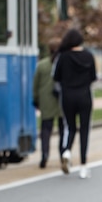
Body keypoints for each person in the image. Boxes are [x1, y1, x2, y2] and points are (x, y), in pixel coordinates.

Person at [53, 28, 97, 178]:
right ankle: (83, 167)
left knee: (70, 127)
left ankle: (66, 151)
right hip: (85, 96)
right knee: (85, 130)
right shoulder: (89, 56)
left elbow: (56, 77)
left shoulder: (63, 57)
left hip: (67, 96)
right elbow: (93, 77)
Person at [33, 38, 64, 168]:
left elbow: (35, 85)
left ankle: (45, 154)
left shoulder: (41, 65)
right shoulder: (63, 63)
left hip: (46, 100)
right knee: (63, 129)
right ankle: (63, 154)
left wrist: (36, 99)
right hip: (61, 99)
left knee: (46, 130)